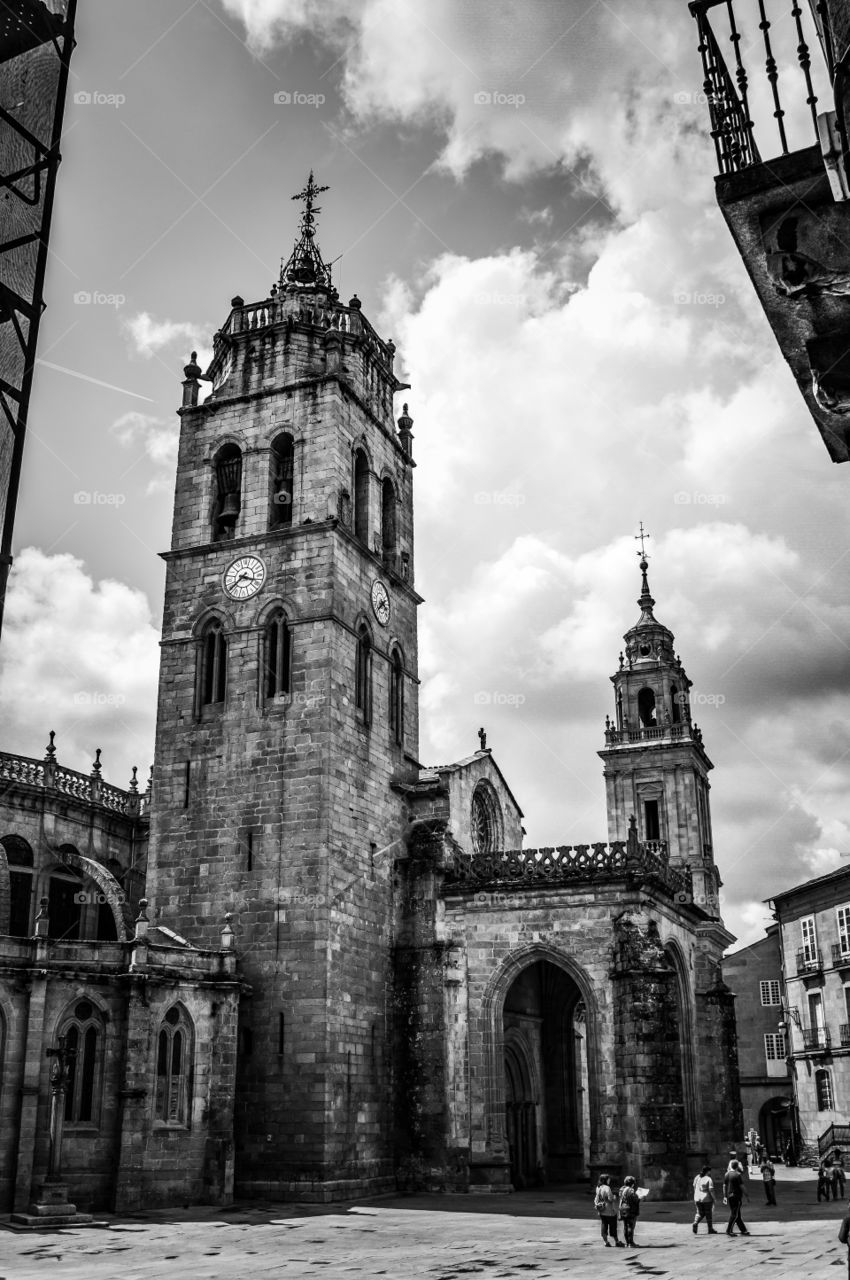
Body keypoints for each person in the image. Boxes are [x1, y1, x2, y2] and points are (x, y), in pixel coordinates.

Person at [594, 1174, 624, 1248]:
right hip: (609, 1210)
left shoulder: (598, 1187)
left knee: (604, 1225)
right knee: (613, 1227)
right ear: (605, 1180)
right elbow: (610, 1199)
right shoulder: (607, 1188)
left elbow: (596, 1198)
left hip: (601, 1210)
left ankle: (606, 1242)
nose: (609, 1180)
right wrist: (614, 1197)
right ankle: (617, 1241)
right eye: (608, 1179)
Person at [723, 1159, 750, 1237]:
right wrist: (747, 1195)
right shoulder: (737, 1175)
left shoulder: (726, 1174)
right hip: (736, 1196)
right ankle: (729, 1230)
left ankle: (743, 1230)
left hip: (730, 1196)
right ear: (737, 1166)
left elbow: (724, 1186)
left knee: (737, 1214)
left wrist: (725, 1196)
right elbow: (742, 1186)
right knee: (734, 1214)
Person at [692, 1164, 717, 1235]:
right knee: (708, 1214)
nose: (710, 1173)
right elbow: (711, 1190)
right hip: (706, 1199)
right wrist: (714, 1198)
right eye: (710, 1171)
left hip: (697, 1198)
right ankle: (710, 1229)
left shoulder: (697, 1177)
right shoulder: (708, 1179)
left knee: (700, 1213)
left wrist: (696, 1194)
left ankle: (695, 1222)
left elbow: (694, 1186)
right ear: (708, 1171)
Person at [618, 1175, 640, 1248]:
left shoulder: (621, 1189)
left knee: (625, 1226)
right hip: (630, 1209)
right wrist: (640, 1197)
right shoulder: (631, 1190)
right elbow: (635, 1200)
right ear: (632, 1183)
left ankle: (627, 1243)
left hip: (623, 1209)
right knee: (630, 1226)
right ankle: (631, 1243)